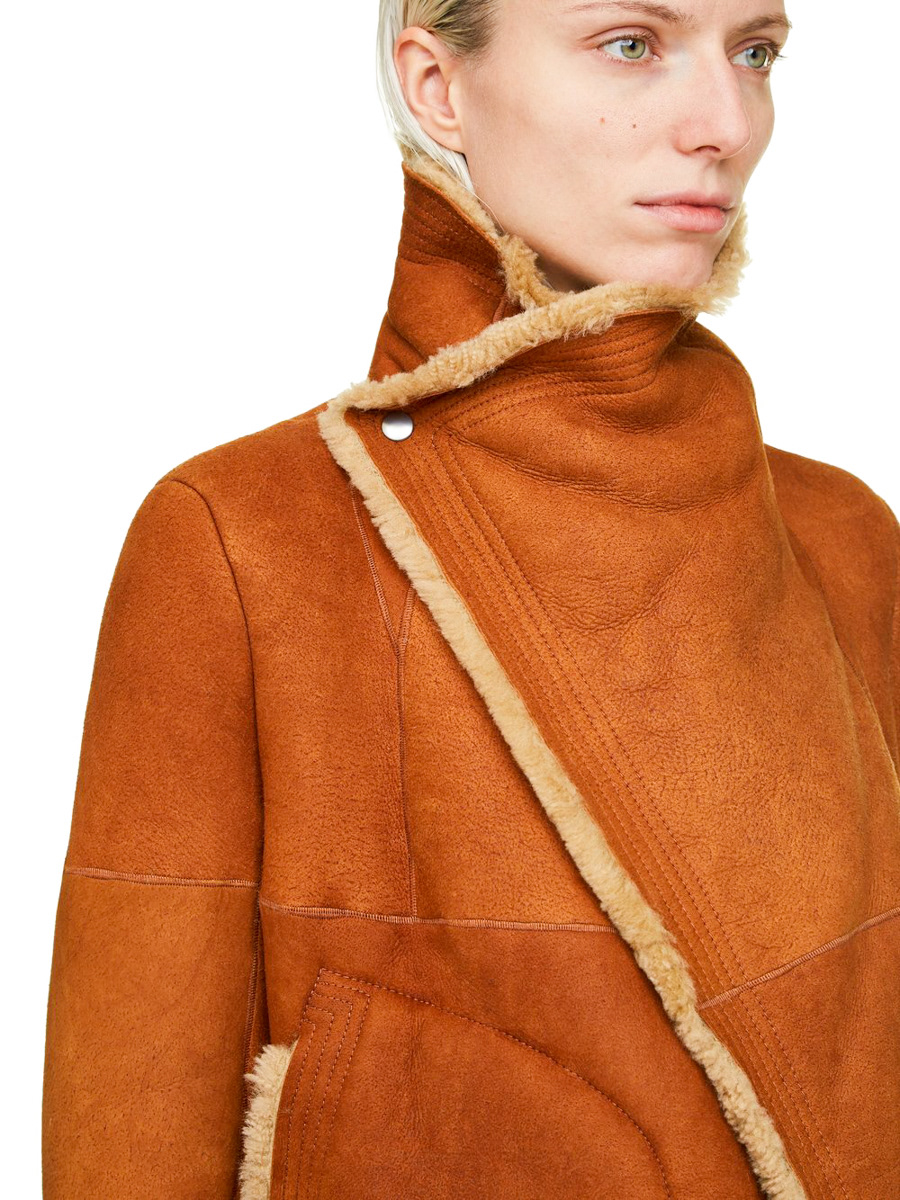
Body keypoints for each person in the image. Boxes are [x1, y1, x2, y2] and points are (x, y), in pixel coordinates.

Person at [42, 1, 900, 1197]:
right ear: (437, 87)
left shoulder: (845, 537)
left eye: (755, 53)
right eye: (632, 44)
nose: (727, 123)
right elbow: (129, 1141)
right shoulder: (244, 543)